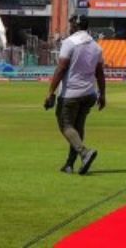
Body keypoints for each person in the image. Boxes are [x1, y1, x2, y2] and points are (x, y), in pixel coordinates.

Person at [44, 18, 105, 175]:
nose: (69, 27)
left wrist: (50, 92)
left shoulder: (70, 42)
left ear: (76, 26)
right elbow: (100, 73)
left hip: (71, 93)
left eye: (71, 25)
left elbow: (61, 68)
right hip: (89, 93)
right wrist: (103, 94)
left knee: (66, 126)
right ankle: (70, 164)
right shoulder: (96, 47)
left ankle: (85, 153)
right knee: (78, 128)